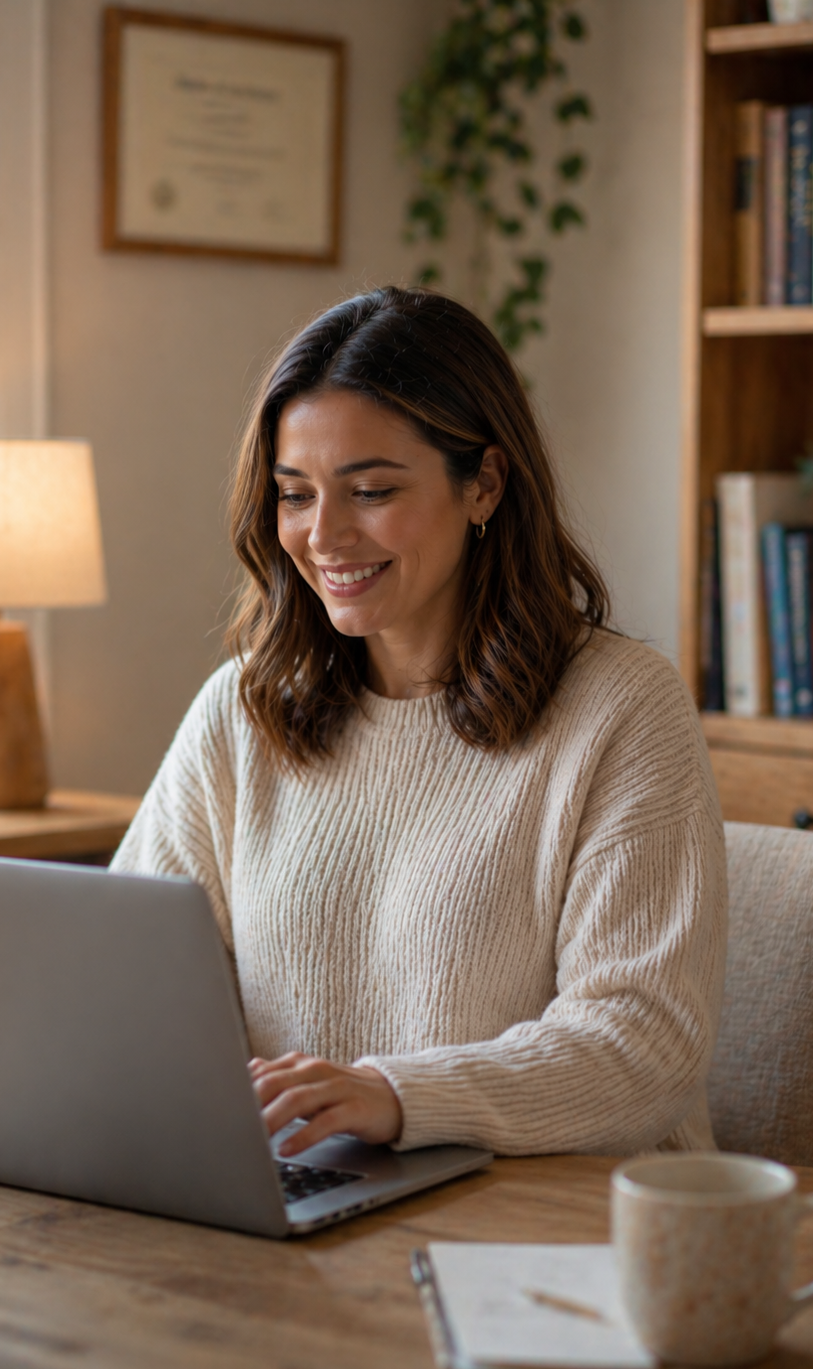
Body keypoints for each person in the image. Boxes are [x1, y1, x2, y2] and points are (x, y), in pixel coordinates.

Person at [112, 286, 726, 1161]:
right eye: (294, 495)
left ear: (485, 485)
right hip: (314, 1203)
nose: (324, 535)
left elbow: (643, 1045)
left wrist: (396, 1096)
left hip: (558, 1227)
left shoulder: (622, 709)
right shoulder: (243, 711)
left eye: (370, 491)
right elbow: (125, 978)